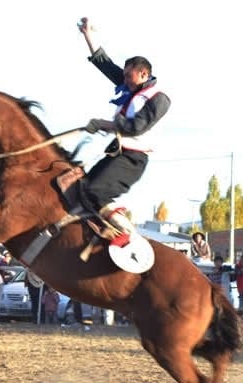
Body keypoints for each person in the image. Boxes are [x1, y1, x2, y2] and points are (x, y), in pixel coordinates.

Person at [77, 17, 171, 247]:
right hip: (117, 153)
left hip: (133, 159)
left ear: (144, 74)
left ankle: (129, 236)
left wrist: (104, 123)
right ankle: (99, 233)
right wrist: (88, 35)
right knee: (82, 188)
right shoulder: (132, 85)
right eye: (125, 76)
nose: (125, 80)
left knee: (95, 192)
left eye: (129, 76)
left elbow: (136, 127)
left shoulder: (159, 98)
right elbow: (105, 64)